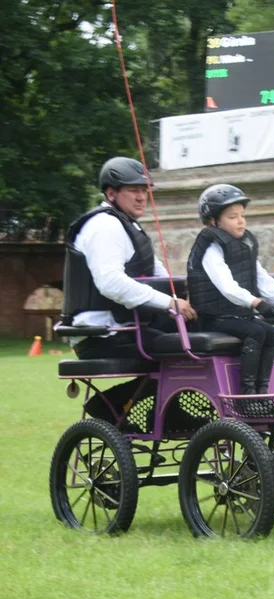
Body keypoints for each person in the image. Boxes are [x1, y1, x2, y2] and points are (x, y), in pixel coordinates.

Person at [63, 156, 198, 426]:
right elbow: (111, 283)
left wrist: (193, 297)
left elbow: (160, 277)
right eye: (133, 190)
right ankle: (110, 405)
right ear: (111, 193)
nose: (141, 197)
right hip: (102, 333)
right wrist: (170, 303)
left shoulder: (128, 226)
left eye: (144, 191)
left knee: (200, 332)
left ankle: (168, 409)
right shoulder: (104, 227)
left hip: (127, 325)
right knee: (185, 347)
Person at [186, 184, 274, 400]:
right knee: (257, 332)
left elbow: (261, 276)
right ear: (214, 221)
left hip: (236, 314)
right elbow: (227, 286)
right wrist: (257, 303)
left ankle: (262, 392)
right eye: (233, 217)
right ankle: (247, 396)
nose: (241, 221)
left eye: (242, 215)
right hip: (212, 316)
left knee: (271, 332)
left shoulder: (243, 245)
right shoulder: (211, 249)